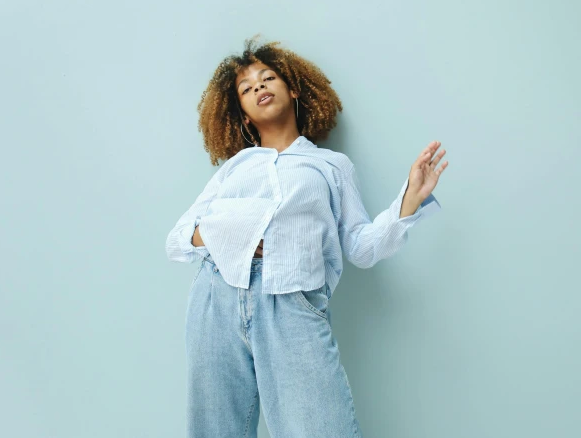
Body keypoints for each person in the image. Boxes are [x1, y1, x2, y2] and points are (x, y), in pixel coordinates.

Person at [165, 33, 447, 437]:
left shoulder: (330, 166)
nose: (259, 87)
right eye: (247, 88)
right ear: (243, 115)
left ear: (293, 89)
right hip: (216, 300)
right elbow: (178, 239)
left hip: (292, 303)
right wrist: (231, 232)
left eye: (268, 78)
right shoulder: (233, 169)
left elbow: (362, 247)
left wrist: (409, 200)